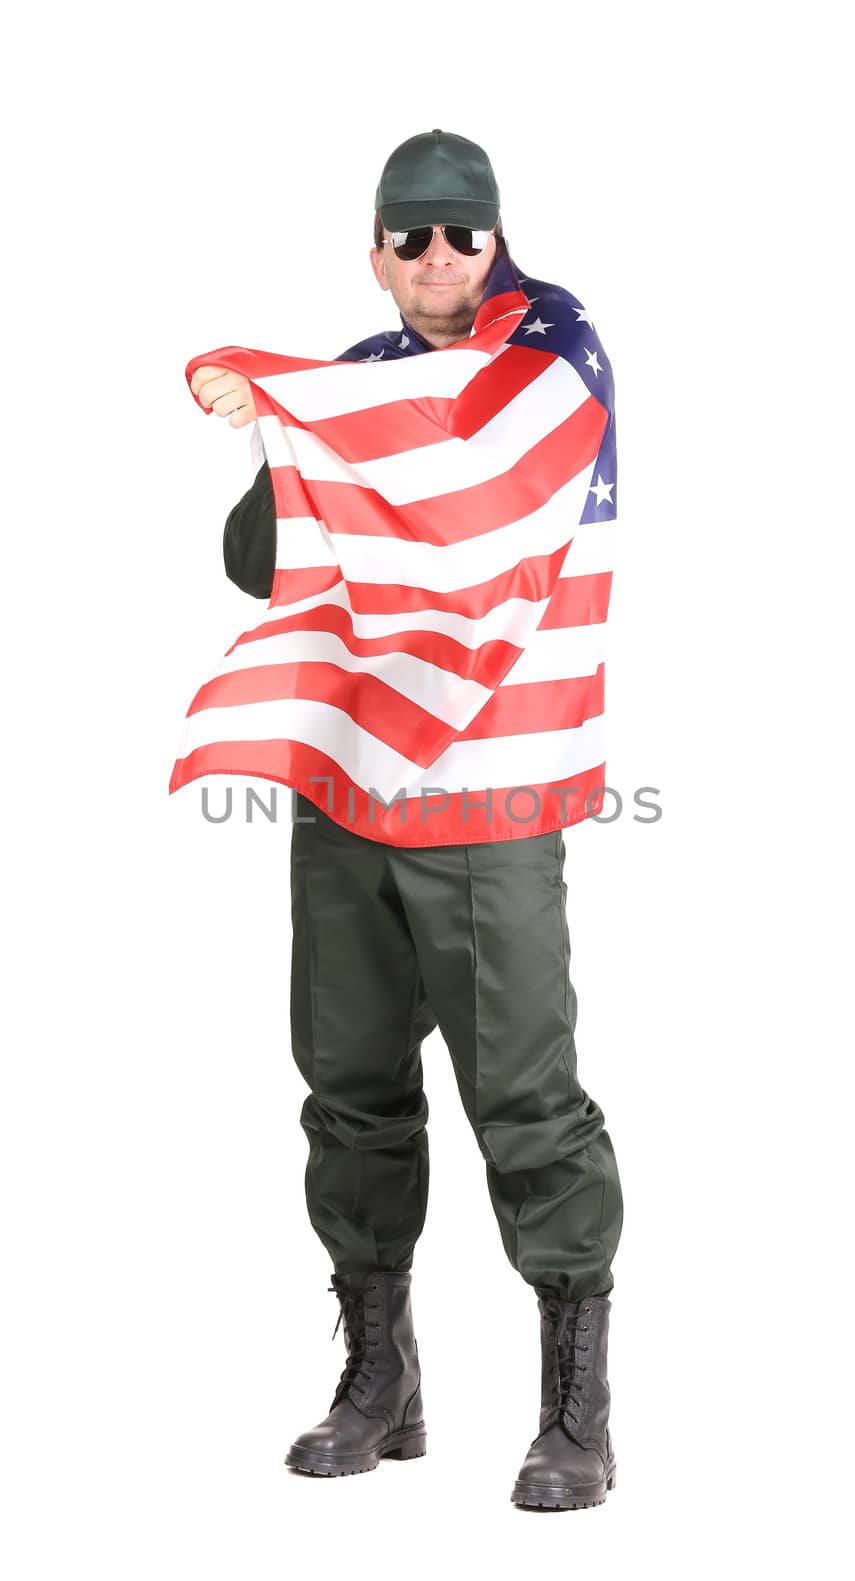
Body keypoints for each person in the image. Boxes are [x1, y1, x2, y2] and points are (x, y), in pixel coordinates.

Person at [188, 129, 624, 1511]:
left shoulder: (551, 361)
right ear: (375, 250)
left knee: (526, 1102)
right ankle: (383, 1384)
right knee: (352, 1092)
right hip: (346, 789)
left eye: (464, 234)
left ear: (500, 242)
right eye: (413, 234)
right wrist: (287, 442)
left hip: (494, 797)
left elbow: (481, 503)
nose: (440, 258)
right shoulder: (354, 386)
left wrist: (340, 434)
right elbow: (265, 570)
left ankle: (576, 1409)